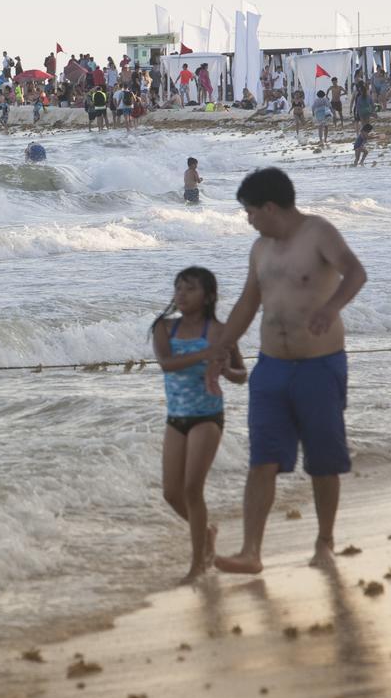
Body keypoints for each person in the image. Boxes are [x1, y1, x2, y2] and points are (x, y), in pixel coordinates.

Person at [204, 168, 367, 574]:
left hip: (319, 366)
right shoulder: (260, 248)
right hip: (271, 367)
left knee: (323, 460)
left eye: (250, 211)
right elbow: (247, 303)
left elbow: (356, 272)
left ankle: (325, 541)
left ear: (270, 207)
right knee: (263, 459)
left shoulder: (319, 233)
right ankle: (250, 551)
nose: (248, 219)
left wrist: (331, 308)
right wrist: (220, 348)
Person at [152, 267, 248, 582]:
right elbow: (167, 365)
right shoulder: (164, 329)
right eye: (178, 288)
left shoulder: (220, 332)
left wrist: (223, 370)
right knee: (170, 492)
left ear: (207, 296)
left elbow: (240, 374)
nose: (181, 295)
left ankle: (198, 564)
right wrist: (206, 356)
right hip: (176, 417)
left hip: (207, 416)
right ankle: (206, 533)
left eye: (190, 289)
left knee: (193, 488)